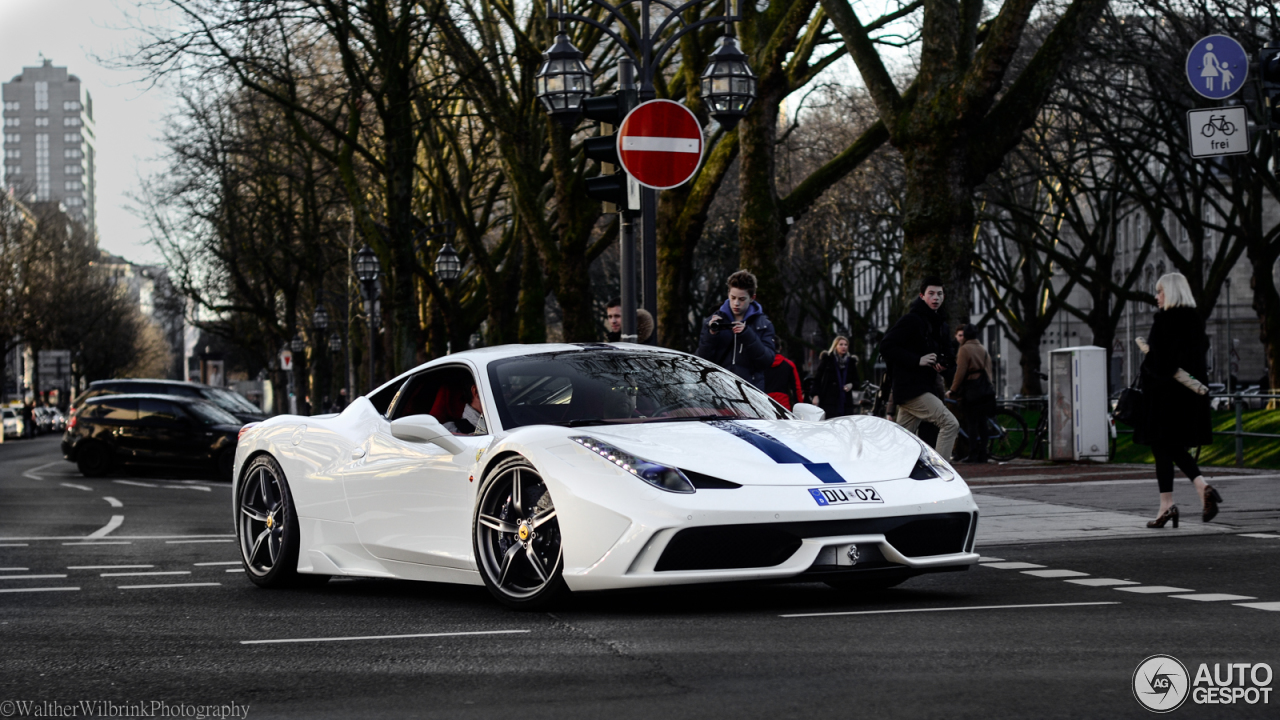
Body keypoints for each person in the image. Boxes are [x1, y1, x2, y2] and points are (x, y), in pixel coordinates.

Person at [1133, 273, 1220, 527]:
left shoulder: (1164, 321)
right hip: (1190, 398)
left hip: (1165, 398)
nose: (1156, 297)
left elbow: (1161, 362)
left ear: (1170, 293)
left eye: (1160, 292)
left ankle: (1182, 496)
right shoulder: (1195, 320)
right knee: (1169, 447)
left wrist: (1148, 364)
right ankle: (1169, 504)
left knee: (1163, 446)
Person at [878, 276, 960, 461]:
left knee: (902, 441)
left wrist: (943, 365)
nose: (935, 298)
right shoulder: (911, 320)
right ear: (922, 296)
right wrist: (918, 360)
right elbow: (886, 346)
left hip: (924, 388)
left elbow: (949, 358)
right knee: (950, 424)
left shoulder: (942, 325)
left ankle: (889, 475)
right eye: (931, 294)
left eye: (939, 294)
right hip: (911, 389)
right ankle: (941, 474)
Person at [696, 270, 776, 389]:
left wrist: (747, 334)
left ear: (752, 298)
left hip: (750, 394)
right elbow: (702, 361)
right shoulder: (713, 322)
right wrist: (711, 334)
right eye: (732, 297)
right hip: (718, 391)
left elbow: (766, 361)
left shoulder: (763, 325)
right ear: (728, 294)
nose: (736, 303)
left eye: (742, 299)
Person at [947, 324, 995, 463]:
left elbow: (960, 371)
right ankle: (983, 453)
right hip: (984, 389)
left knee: (972, 423)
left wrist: (953, 389)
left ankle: (973, 453)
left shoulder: (964, 349)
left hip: (971, 390)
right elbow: (989, 370)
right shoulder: (982, 348)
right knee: (982, 423)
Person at [813, 336, 861, 418]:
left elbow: (856, 381)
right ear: (835, 346)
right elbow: (818, 378)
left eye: (846, 345)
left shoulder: (851, 363)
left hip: (845, 401)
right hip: (829, 400)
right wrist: (815, 395)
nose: (843, 347)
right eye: (841, 344)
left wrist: (851, 385)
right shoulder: (827, 360)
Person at [764, 338, 804, 410]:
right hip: (783, 405)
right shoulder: (789, 365)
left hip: (763, 404)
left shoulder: (761, 364)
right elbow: (797, 389)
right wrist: (799, 408)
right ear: (780, 348)